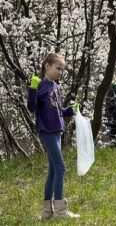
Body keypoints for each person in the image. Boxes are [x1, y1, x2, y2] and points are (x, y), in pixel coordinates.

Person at [27, 53, 80, 219]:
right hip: (47, 132)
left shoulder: (55, 87)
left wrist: (70, 110)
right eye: (58, 68)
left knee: (52, 171)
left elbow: (57, 111)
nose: (60, 72)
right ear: (47, 66)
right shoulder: (41, 85)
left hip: (56, 131)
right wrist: (32, 89)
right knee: (60, 167)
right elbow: (31, 107)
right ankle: (60, 210)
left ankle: (47, 212)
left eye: (62, 70)